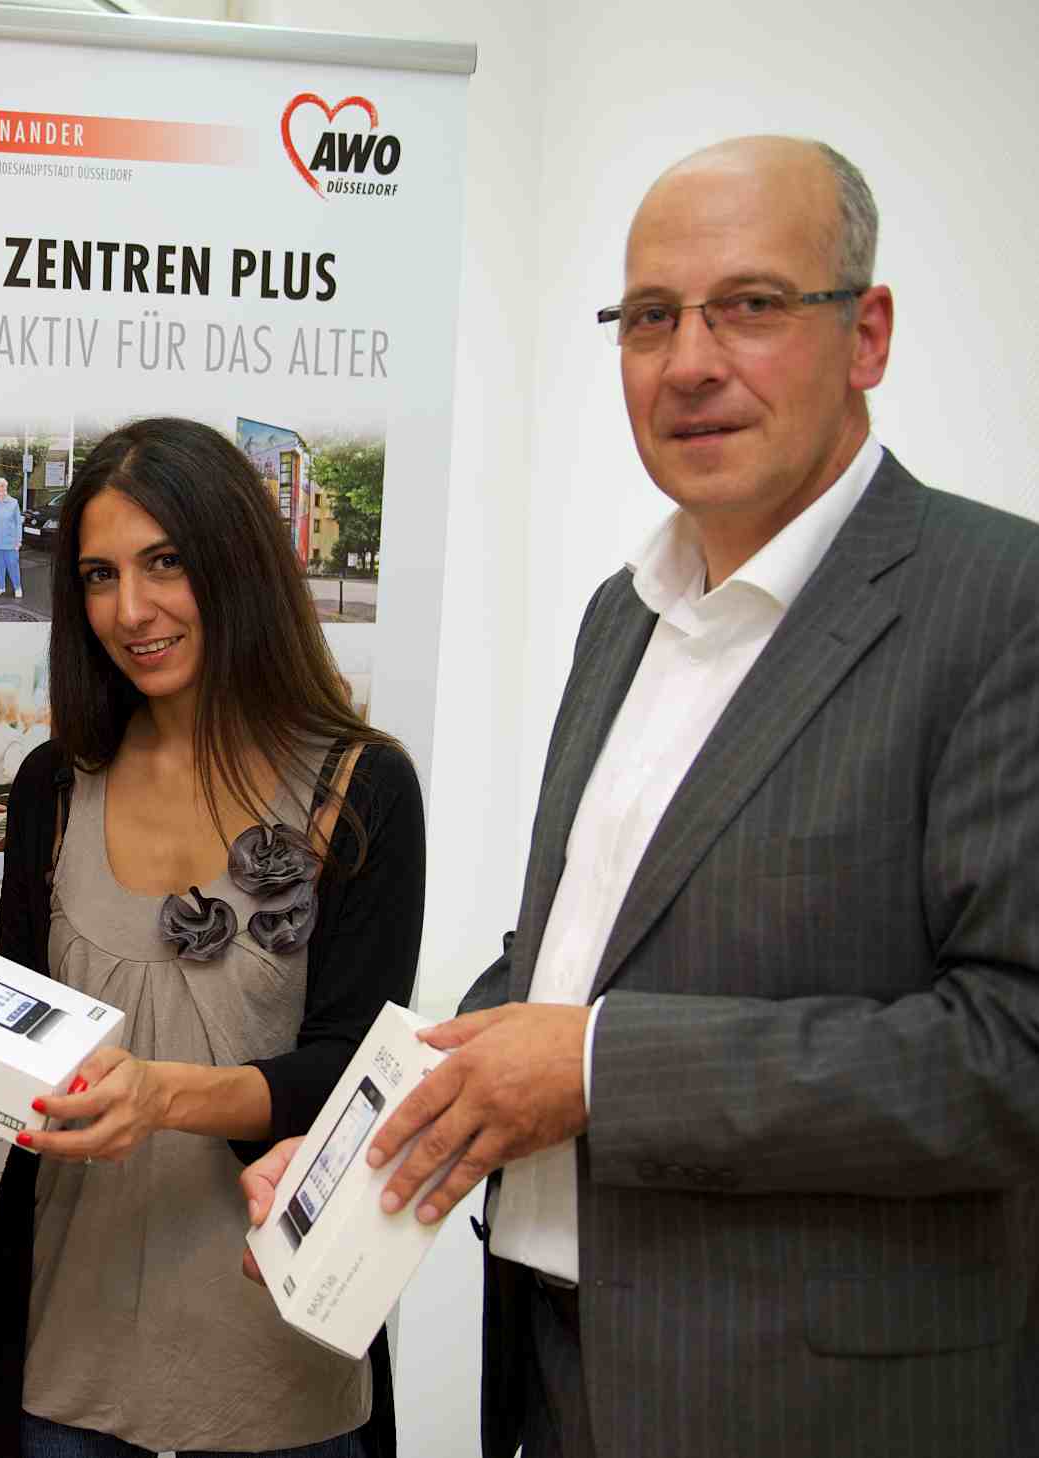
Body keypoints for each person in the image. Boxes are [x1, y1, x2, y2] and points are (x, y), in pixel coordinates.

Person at [293, 136, 1039, 1458]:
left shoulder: (999, 606)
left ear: (866, 335)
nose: (688, 361)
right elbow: (570, 960)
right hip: (557, 1371)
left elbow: (1009, 1051)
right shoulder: (620, 615)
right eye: (649, 317)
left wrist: (595, 1069)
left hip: (816, 1407)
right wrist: (361, 1149)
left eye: (749, 304)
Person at [0, 416, 426, 1458]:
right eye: (99, 575)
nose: (131, 610)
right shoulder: (52, 787)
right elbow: (22, 1043)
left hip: (279, 1364)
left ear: (236, 561)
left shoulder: (361, 786)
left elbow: (354, 1079)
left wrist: (163, 1097)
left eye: (165, 562)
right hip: (64, 1355)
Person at [0, 477, 26, 597]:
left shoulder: (14, 503)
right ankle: (1, 587)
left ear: (6, 487)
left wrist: (18, 540)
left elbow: (18, 523)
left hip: (11, 541)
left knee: (13, 565)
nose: (0, 489)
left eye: (2, 486)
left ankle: (17, 587)